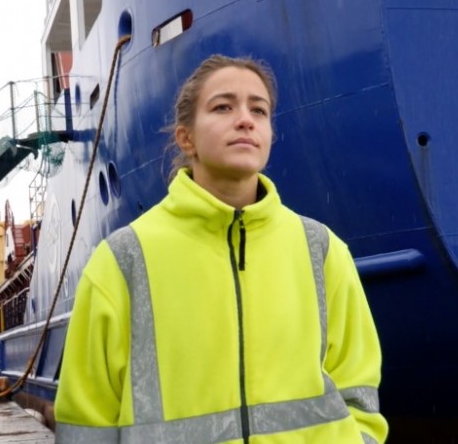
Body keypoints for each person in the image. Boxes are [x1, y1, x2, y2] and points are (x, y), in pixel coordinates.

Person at [54, 54, 388, 443]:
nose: (245, 119)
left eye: (259, 110)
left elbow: (360, 393)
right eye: (223, 107)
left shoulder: (322, 250)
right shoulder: (125, 259)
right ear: (186, 137)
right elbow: (86, 420)